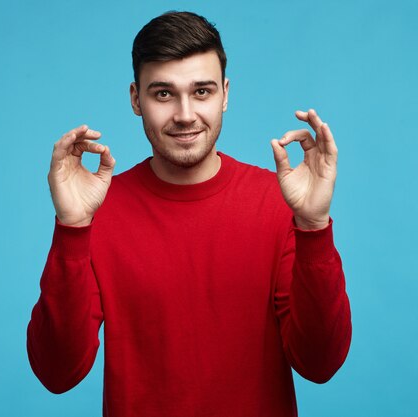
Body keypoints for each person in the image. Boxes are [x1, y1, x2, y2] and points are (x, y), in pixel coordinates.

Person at [27, 10, 351, 417]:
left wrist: (314, 226)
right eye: (163, 93)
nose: (184, 114)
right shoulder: (99, 210)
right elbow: (57, 373)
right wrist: (73, 228)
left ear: (225, 95)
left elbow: (320, 364)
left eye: (202, 91)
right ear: (135, 98)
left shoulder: (278, 204)